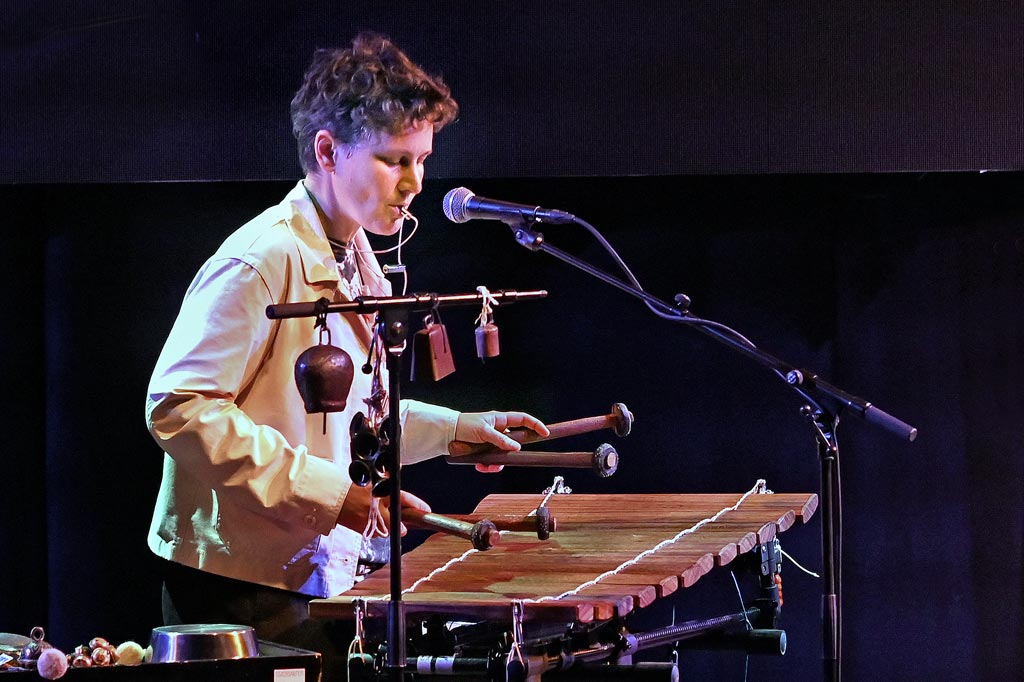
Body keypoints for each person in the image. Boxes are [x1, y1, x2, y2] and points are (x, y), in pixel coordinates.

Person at [145, 32, 548, 680]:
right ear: (328, 151)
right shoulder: (260, 259)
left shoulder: (359, 258)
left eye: (422, 159)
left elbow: (353, 419)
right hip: (239, 589)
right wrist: (336, 498)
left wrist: (456, 430)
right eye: (394, 160)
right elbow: (180, 408)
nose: (415, 183)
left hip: (315, 576)